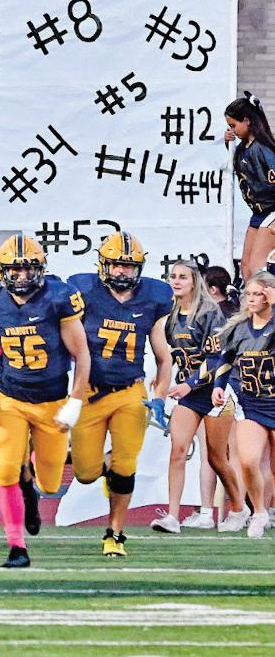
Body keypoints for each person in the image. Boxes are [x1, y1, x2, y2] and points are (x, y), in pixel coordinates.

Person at [0, 234, 91, 568]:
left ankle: (31, 486)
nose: (22, 276)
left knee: (50, 482)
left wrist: (75, 401)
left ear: (40, 269)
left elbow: (82, 354)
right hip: (10, 398)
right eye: (15, 269)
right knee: (5, 471)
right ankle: (16, 547)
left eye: (28, 269)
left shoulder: (58, 297)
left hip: (52, 400)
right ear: (2, 271)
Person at [68, 232, 172, 556]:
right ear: (103, 265)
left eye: (128, 266)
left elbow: (164, 356)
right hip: (90, 391)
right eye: (116, 264)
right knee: (85, 472)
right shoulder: (83, 291)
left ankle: (115, 534)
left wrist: (159, 396)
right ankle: (107, 471)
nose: (122, 271)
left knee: (126, 466)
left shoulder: (154, 298)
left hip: (130, 391)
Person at [155, 261, 248, 533]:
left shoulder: (210, 313)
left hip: (216, 390)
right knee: (178, 450)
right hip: (190, 394)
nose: (176, 281)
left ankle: (239, 509)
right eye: (173, 276)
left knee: (217, 458)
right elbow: (174, 356)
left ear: (194, 282)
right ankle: (172, 516)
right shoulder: (172, 317)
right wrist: (165, 380)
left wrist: (190, 383)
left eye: (183, 277)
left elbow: (217, 358)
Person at [206, 270, 275, 539]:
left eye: (259, 294)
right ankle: (258, 511)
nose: (252, 299)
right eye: (249, 294)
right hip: (251, 402)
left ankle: (267, 509)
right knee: (248, 460)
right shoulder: (239, 327)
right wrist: (218, 386)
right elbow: (226, 358)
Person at [224, 94, 275, 279]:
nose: (232, 130)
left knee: (257, 268)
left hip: (271, 211)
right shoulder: (243, 148)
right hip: (258, 213)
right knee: (245, 268)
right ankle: (250, 297)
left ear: (246, 121)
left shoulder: (263, 148)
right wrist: (228, 143)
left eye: (233, 125)